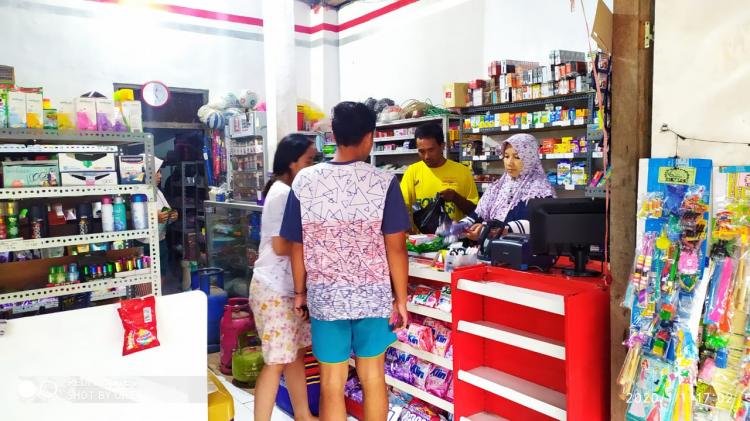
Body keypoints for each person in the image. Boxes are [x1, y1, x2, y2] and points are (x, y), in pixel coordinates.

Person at [280, 102, 411, 421]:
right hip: (373, 296)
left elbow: (297, 245)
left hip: (326, 296)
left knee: (331, 383)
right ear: (369, 137)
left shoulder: (305, 181)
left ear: (334, 136)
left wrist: (300, 292)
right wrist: (401, 299)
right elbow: (396, 248)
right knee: (373, 377)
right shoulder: (384, 182)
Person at [249, 134, 318, 421]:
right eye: (309, 161)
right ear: (292, 162)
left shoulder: (288, 191)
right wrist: (317, 243)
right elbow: (280, 245)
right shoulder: (281, 194)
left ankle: (303, 415)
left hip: (287, 287)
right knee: (277, 361)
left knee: (295, 354)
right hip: (274, 288)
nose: (313, 167)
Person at [464, 133, 556, 240]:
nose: (510, 163)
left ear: (530, 158)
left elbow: (537, 225)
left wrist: (490, 231)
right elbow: (477, 215)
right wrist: (462, 226)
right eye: (506, 156)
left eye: (517, 157)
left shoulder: (540, 192)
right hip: (492, 248)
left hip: (521, 249)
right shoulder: (497, 188)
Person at [400, 122, 478, 232]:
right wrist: (407, 232)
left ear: (442, 146)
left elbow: (476, 212)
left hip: (454, 239)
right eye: (421, 151)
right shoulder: (412, 171)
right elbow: (401, 208)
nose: (426, 156)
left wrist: (455, 197)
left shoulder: (463, 171)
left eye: (431, 150)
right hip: (422, 241)